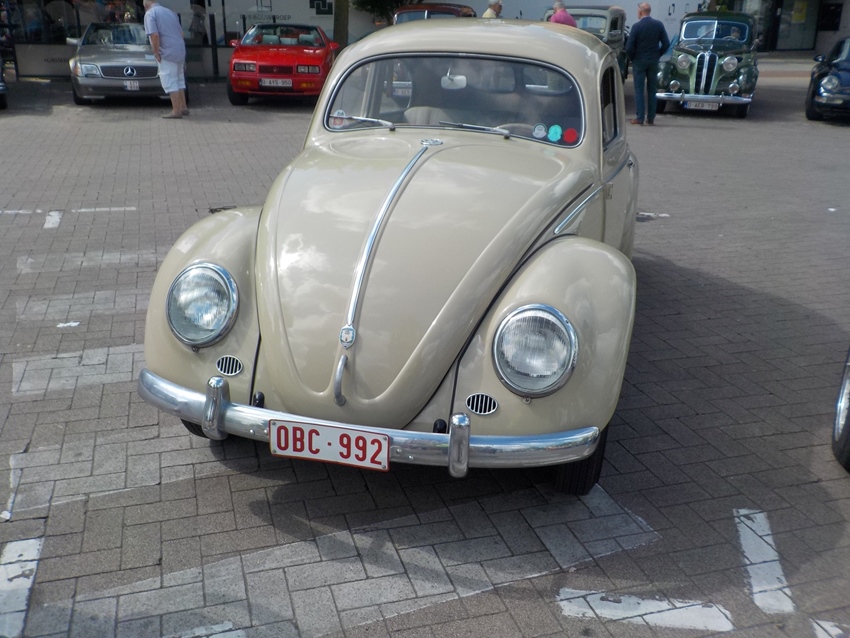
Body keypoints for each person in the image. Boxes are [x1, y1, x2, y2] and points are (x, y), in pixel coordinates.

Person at [625, 2, 669, 126]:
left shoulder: (636, 26)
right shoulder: (659, 25)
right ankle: (651, 117)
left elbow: (629, 47)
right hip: (653, 60)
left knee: (639, 89)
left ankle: (640, 117)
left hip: (639, 60)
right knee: (652, 89)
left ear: (640, 12)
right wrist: (658, 54)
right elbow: (666, 43)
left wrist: (633, 58)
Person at [143, 0, 188, 119]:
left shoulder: (150, 14)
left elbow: (154, 35)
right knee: (179, 79)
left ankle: (176, 110)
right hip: (180, 49)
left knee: (169, 80)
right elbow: (181, 34)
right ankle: (183, 107)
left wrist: (156, 53)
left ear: (146, 6)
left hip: (167, 52)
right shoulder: (170, 12)